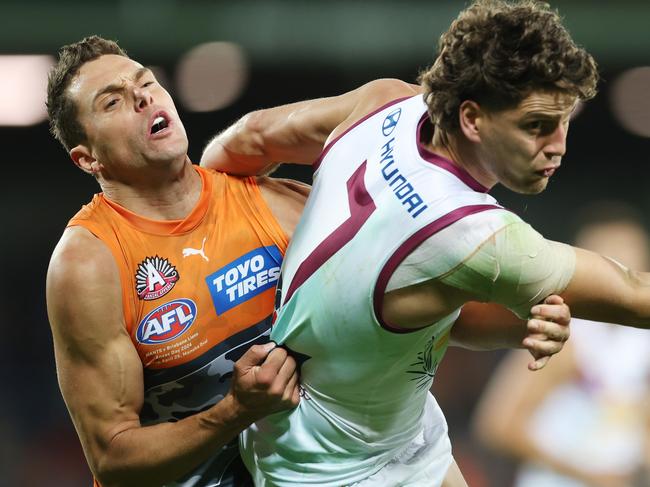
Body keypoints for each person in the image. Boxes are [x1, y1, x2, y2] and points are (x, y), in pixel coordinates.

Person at [45, 35, 570, 487]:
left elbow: (403, 308)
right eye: (112, 103)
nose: (141, 98)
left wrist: (521, 322)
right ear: (87, 158)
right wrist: (234, 413)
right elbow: (112, 458)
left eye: (145, 82)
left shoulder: (275, 205)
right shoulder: (90, 263)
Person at [201, 0, 650, 485]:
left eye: (564, 121)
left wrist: (216, 265)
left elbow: (245, 141)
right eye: (536, 125)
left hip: (371, 431)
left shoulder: (385, 103)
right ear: (472, 118)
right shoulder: (474, 236)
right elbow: (634, 295)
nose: (558, 144)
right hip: (339, 470)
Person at [473, 203, 650, 487]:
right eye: (614, 259)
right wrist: (588, 474)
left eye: (634, 256)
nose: (626, 267)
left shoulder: (640, 343)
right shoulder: (563, 336)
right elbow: (498, 425)